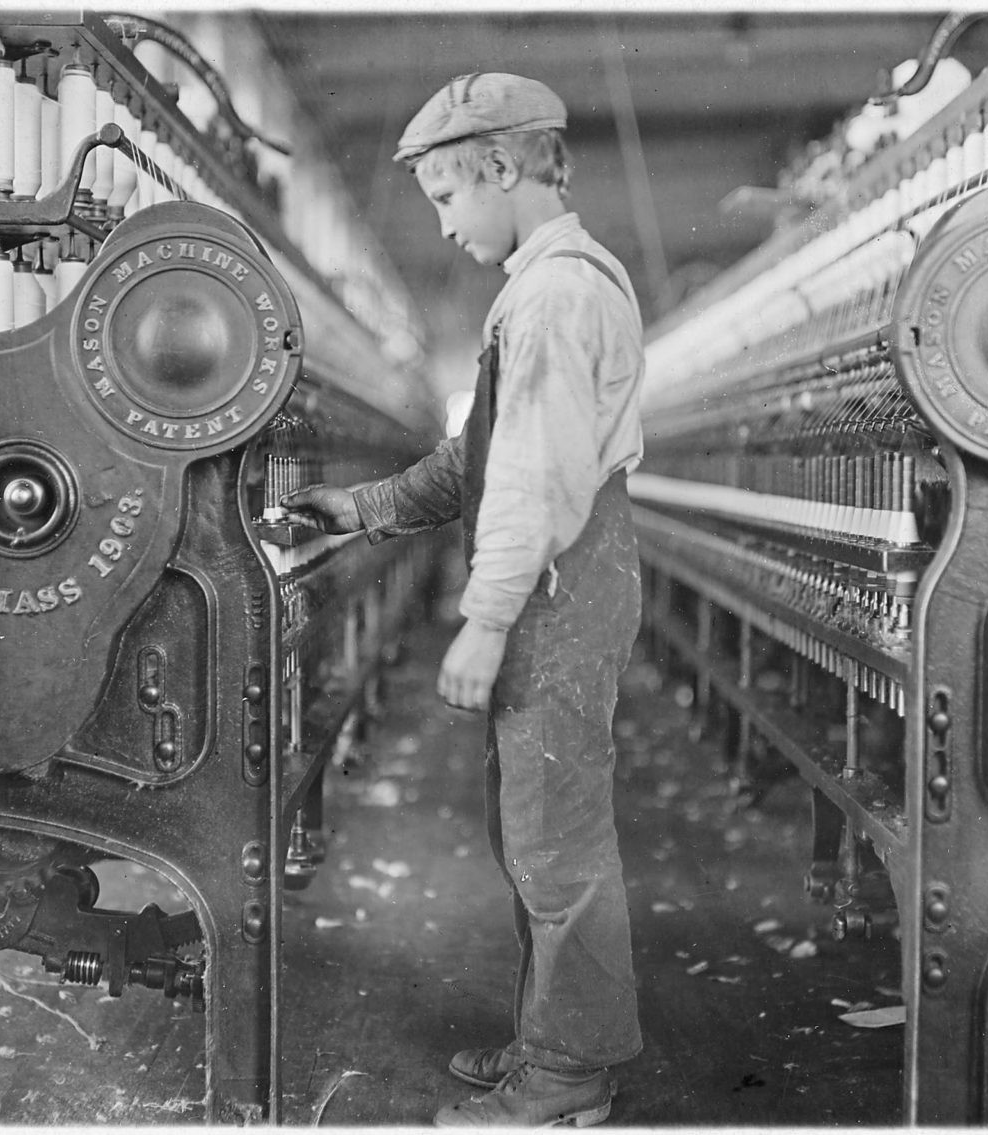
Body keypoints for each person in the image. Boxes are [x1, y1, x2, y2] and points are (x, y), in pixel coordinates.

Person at [280, 71, 646, 1128]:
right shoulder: (537, 288)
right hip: (563, 573)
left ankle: (568, 1079)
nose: (441, 224)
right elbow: (472, 463)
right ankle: (554, 1046)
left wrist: (484, 622)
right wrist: (363, 507)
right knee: (535, 828)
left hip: (556, 582)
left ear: (500, 167)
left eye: (448, 195)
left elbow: (529, 480)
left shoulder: (555, 296)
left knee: (553, 838)